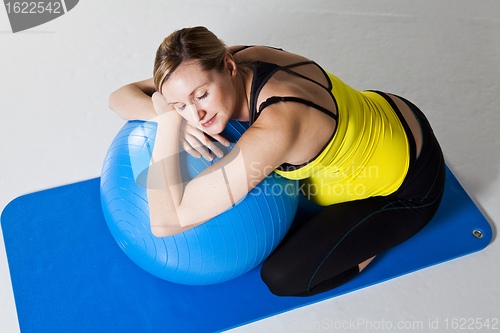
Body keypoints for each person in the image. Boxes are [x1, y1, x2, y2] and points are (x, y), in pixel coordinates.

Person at [109, 26, 445, 297]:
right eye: (180, 104)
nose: (195, 115)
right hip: (392, 112)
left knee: (283, 278)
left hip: (410, 186)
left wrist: (168, 121)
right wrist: (163, 106)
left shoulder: (278, 125)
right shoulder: (235, 59)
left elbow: (165, 223)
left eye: (201, 96)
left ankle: (371, 242)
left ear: (227, 66)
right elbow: (119, 96)